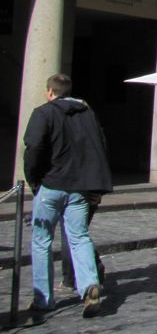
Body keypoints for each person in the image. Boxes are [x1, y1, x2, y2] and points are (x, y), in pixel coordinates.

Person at [23, 73, 112, 319]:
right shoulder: (87, 115)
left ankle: (44, 298)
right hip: (80, 187)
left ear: (50, 91)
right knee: (79, 237)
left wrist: (34, 180)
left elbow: (34, 148)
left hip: (52, 184)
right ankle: (89, 286)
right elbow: (100, 144)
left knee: (42, 240)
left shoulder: (44, 112)